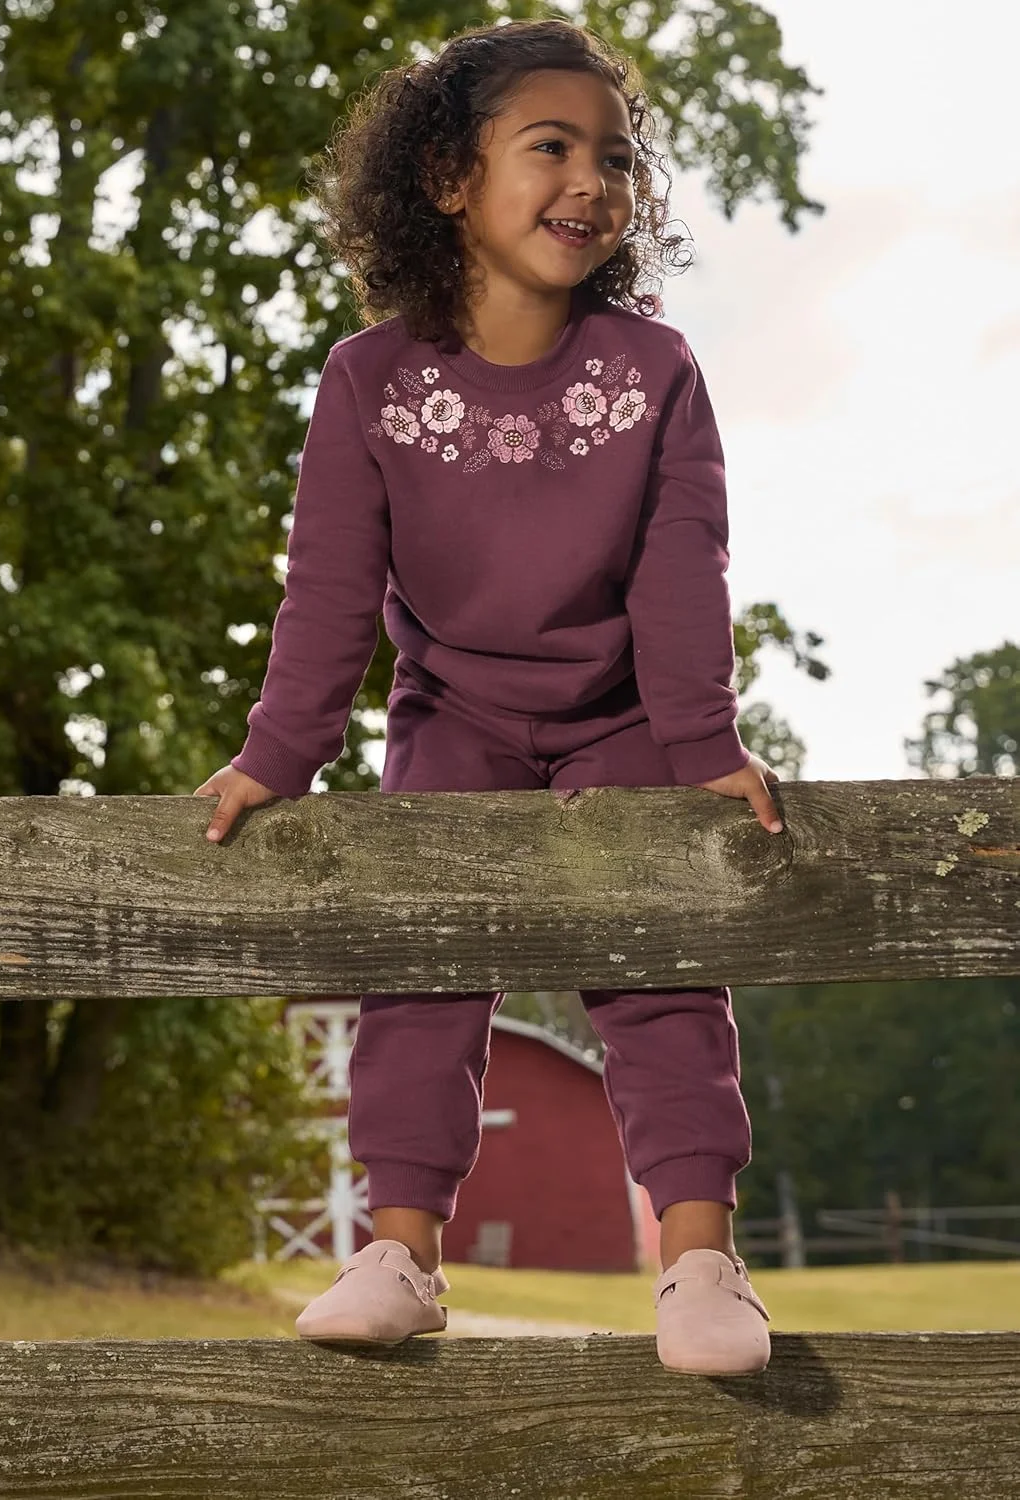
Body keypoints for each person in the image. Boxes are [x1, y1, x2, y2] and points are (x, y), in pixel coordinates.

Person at [194, 17, 780, 1376]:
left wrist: (701, 746)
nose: (594, 180)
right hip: (454, 717)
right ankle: (401, 1254)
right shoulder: (369, 380)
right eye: (553, 147)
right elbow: (331, 592)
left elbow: (682, 569)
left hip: (626, 711)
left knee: (658, 972)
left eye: (617, 157)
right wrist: (277, 753)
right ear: (451, 177)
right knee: (420, 970)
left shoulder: (654, 373)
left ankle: (699, 1263)